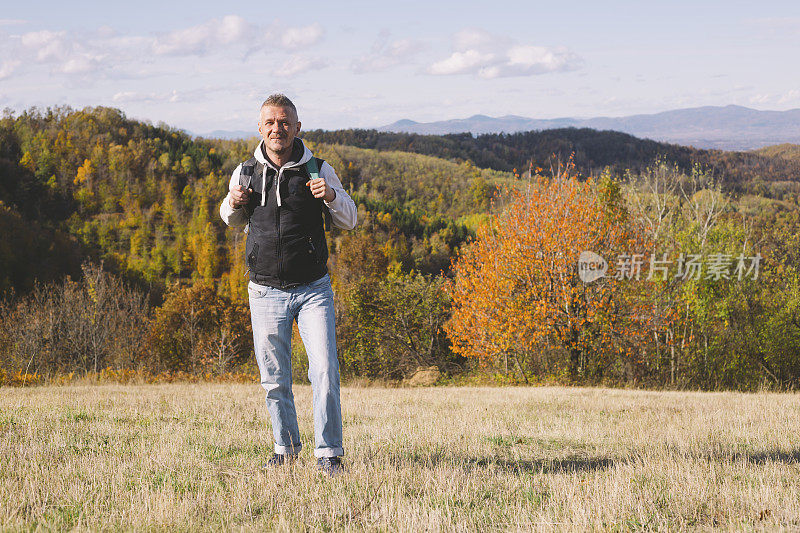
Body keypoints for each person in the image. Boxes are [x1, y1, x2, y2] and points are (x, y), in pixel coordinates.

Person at [219, 94, 357, 474]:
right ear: (260, 128)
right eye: (270, 122)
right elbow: (229, 218)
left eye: (285, 122)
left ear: (297, 127)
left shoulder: (317, 169)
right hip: (264, 289)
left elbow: (350, 219)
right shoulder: (245, 171)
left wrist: (329, 196)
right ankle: (285, 447)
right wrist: (233, 202)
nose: (277, 128)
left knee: (325, 370)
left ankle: (329, 453)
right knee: (274, 377)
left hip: (313, 289)